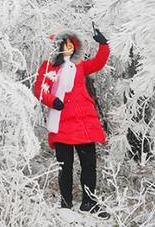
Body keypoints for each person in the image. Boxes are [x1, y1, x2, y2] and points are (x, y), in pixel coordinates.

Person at [33, 26, 111, 219]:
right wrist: (53, 101)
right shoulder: (49, 67)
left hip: (84, 124)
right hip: (62, 125)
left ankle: (89, 203)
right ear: (57, 47)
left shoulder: (79, 65)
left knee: (89, 165)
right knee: (64, 167)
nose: (69, 48)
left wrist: (104, 45)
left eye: (71, 45)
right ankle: (66, 204)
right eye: (65, 45)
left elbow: (98, 63)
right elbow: (40, 89)